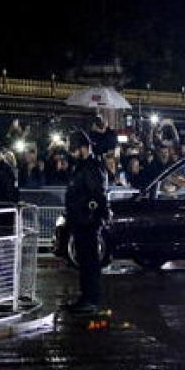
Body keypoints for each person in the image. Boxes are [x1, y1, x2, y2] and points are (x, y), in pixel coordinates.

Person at [63, 131, 108, 314]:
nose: (72, 153)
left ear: (84, 148)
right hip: (81, 222)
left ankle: (90, 299)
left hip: (87, 223)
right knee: (84, 261)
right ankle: (86, 297)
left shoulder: (90, 168)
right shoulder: (82, 166)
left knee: (89, 262)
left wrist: (89, 216)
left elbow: (95, 197)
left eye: (75, 149)